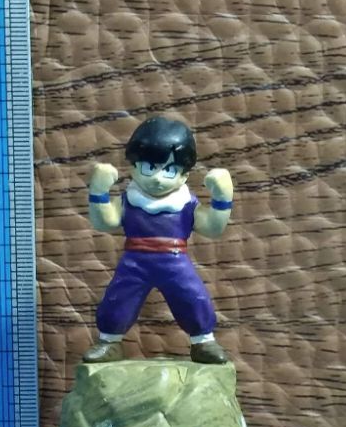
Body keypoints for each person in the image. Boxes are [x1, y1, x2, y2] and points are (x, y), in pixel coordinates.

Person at [84, 116, 234, 364]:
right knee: (118, 297)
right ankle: (108, 341)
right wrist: (98, 192)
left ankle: (203, 342)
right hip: (135, 261)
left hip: (175, 261)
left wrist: (222, 198)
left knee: (193, 296)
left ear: (184, 175)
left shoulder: (186, 203)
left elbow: (212, 228)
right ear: (133, 167)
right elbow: (105, 221)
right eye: (149, 167)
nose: (158, 177)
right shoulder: (129, 200)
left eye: (170, 169)